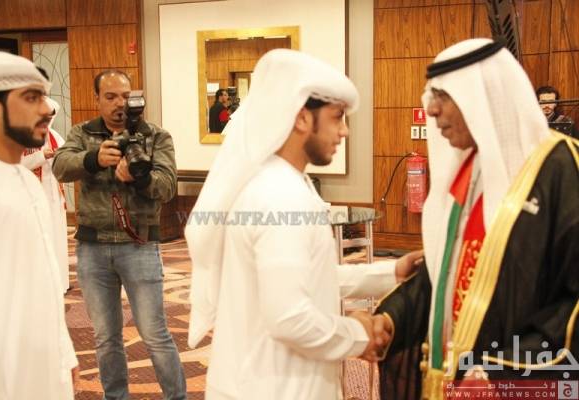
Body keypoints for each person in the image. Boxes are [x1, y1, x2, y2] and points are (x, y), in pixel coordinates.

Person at [186, 49, 422, 400]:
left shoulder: (279, 181)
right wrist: (359, 335)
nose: (344, 131)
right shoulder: (281, 195)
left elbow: (308, 278)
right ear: (301, 118)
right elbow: (290, 318)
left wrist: (392, 272)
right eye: (337, 117)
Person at [373, 39, 579, 399]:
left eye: (443, 96)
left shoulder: (561, 169)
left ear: (482, 96)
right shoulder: (468, 168)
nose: (431, 109)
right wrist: (390, 319)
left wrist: (502, 374)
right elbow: (443, 276)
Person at [52, 69, 186, 400]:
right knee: (105, 337)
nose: (119, 104)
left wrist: (140, 179)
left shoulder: (155, 136)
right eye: (110, 96)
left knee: (155, 334)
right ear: (97, 99)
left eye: (125, 96)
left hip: (139, 245)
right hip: (92, 248)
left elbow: (168, 187)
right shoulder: (83, 133)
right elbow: (60, 166)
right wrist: (93, 159)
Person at [0, 51, 78, 399]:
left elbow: (45, 280)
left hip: (42, 365)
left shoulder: (26, 182)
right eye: (32, 98)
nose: (46, 110)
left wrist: (64, 352)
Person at [21, 96, 70, 293]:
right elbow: (17, 164)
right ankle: (41, 286)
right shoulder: (23, 136)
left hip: (54, 196)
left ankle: (60, 283)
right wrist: (42, 156)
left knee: (57, 238)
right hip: (33, 196)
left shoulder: (55, 136)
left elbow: (68, 158)